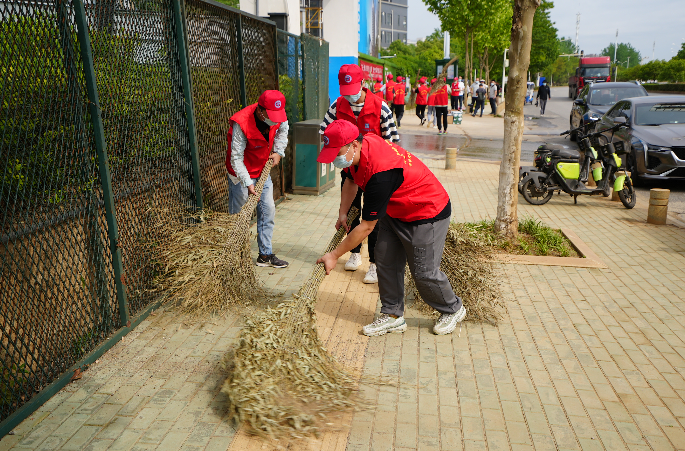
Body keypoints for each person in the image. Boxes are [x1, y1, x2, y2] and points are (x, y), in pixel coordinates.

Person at [315, 120, 466, 336]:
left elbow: (366, 227)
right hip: (396, 209)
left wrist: (334, 255)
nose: (335, 159)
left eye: (336, 153)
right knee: (385, 259)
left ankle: (453, 309)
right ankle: (393, 315)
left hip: (426, 212)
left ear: (354, 145)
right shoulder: (358, 151)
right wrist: (343, 212)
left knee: (424, 272)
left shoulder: (381, 173)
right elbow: (350, 180)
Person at [320, 64, 399, 284]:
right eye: (345, 91)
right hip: (350, 170)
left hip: (375, 173)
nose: (350, 96)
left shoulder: (380, 107)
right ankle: (354, 253)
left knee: (373, 218)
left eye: (353, 90)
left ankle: (374, 263)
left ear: (363, 84)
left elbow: (393, 142)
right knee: (351, 212)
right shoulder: (337, 105)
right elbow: (324, 132)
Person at [226, 90, 289, 268]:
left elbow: (283, 131)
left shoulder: (279, 115)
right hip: (240, 173)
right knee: (240, 216)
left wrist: (278, 152)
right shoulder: (241, 122)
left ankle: (265, 255)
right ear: (261, 111)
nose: (276, 120)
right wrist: (247, 182)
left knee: (268, 210)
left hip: (261, 169)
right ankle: (236, 256)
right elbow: (236, 158)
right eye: (271, 116)